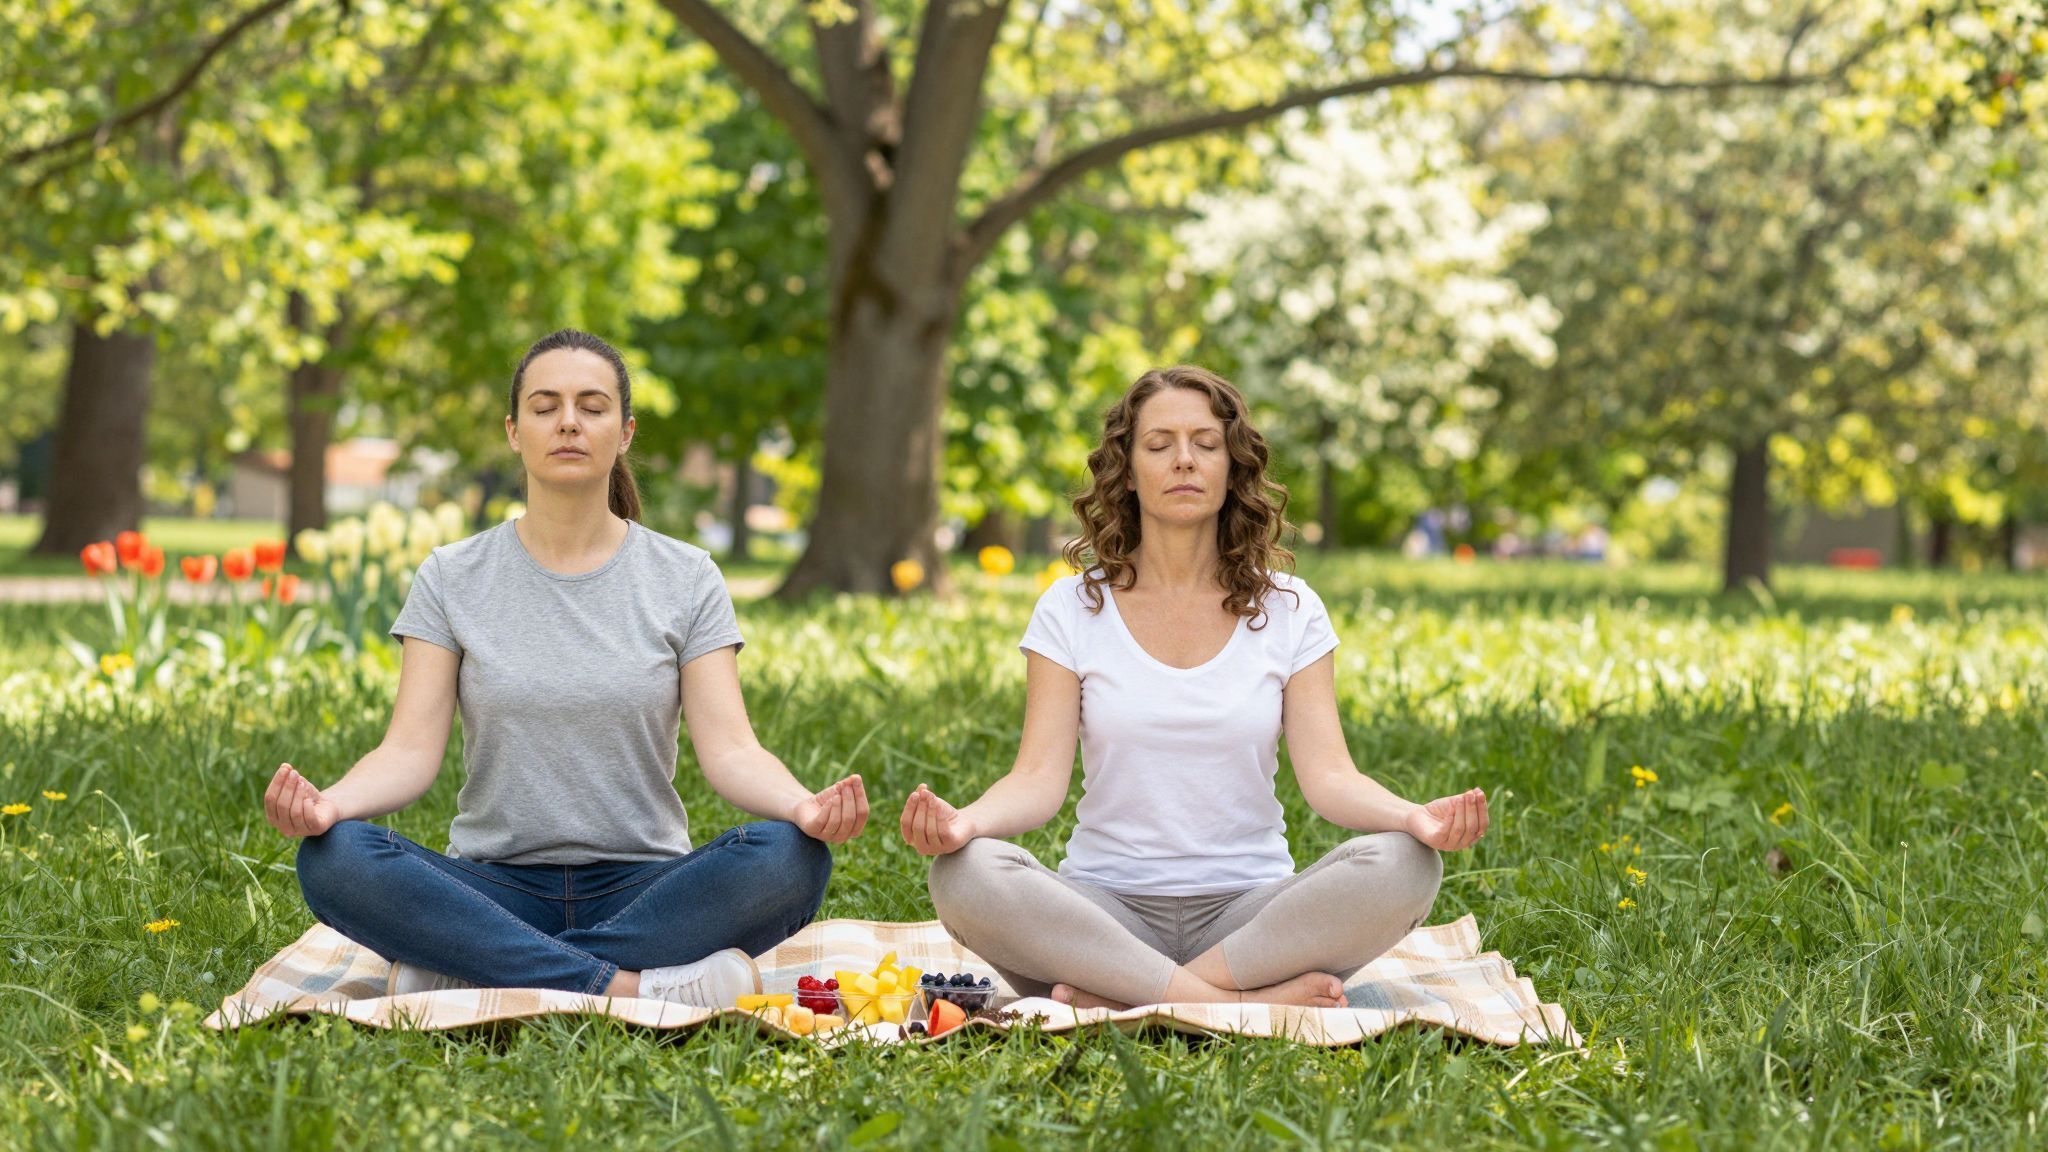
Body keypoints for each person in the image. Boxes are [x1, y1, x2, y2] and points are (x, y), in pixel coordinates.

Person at [261, 329, 869, 1006]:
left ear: (626, 431)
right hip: (493, 887)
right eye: (546, 406)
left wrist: (803, 808)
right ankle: (630, 987)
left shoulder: (686, 576)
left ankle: (474, 966)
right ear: (515, 431)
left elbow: (731, 750)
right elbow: (407, 752)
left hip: (647, 891)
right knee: (335, 859)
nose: (570, 422)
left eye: (592, 405)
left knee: (789, 858)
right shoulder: (452, 576)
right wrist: (329, 806)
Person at [900, 365, 1488, 1009]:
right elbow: (1038, 779)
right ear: (1126, 469)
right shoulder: (1071, 607)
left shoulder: (1290, 607)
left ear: (1233, 467)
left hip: (1251, 919)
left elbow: (1331, 778)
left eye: (1206, 444)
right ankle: (1235, 1004)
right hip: (1105, 912)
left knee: (1406, 864)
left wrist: (1414, 819)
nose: (1184, 460)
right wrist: (965, 825)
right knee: (965, 874)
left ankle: (1127, 996)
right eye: (1159, 445)